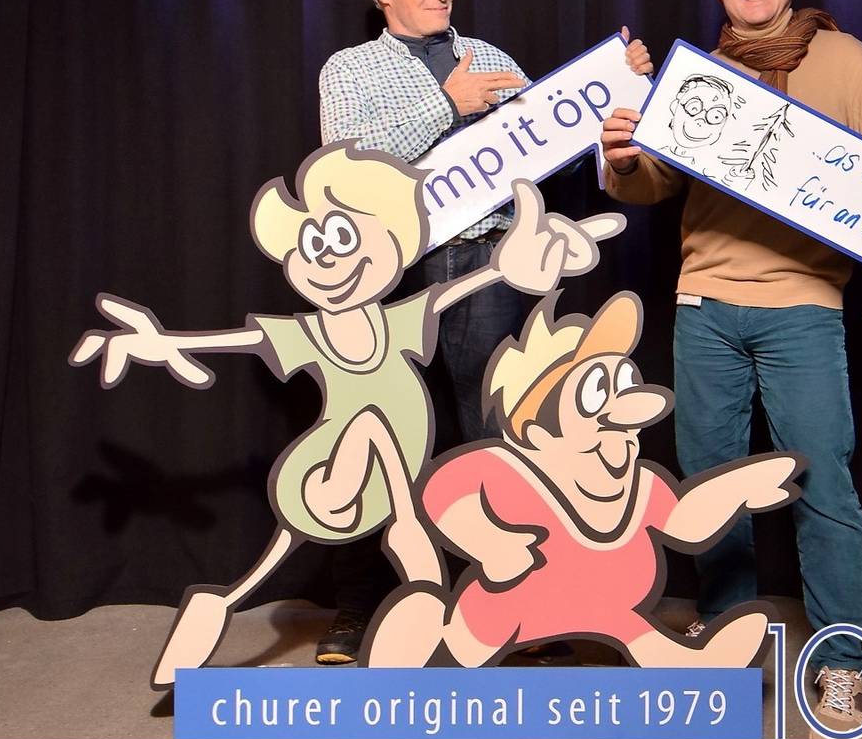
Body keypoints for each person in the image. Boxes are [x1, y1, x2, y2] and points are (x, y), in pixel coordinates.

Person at [70, 144, 619, 688]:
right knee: (369, 427)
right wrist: (162, 342)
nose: (329, 259)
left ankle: (430, 608)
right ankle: (416, 577)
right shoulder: (310, 333)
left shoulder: (398, 320)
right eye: (312, 245)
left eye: (344, 239)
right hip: (326, 480)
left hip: (382, 479)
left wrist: (508, 265)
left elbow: (468, 285)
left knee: (273, 560)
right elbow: (238, 340)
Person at [598, 0, 862, 738]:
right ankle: (724, 639)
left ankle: (844, 662)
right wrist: (622, 157)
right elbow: (654, 184)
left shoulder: (846, 60)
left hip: (803, 305)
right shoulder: (696, 73)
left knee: (823, 483)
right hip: (705, 305)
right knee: (711, 487)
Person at [313, 0, 653, 663]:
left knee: (495, 434)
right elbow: (344, 166)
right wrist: (446, 105)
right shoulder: (349, 69)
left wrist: (617, 89)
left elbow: (557, 143)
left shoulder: (493, 59)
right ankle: (356, 610)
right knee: (379, 432)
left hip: (488, 263)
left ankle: (511, 608)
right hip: (390, 272)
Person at [362, 291, 801, 670]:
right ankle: (416, 656)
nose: (623, 408)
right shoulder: (511, 472)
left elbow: (684, 522)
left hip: (609, 612)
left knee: (640, 635)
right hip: (502, 617)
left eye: (623, 385)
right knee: (453, 653)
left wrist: (735, 489)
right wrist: (488, 540)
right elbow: (446, 491)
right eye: (595, 392)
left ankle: (701, 666)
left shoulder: (640, 487)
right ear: (536, 432)